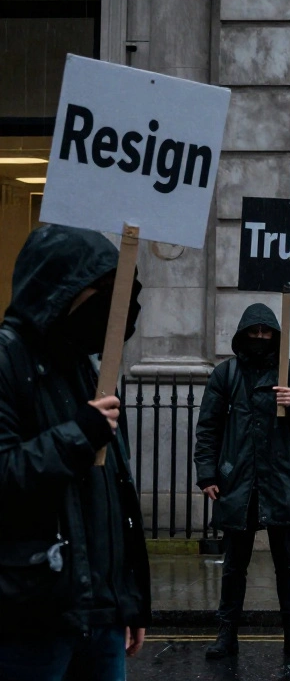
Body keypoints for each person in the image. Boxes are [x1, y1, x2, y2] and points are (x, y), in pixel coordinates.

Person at [0, 225, 150, 681]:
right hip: (32, 615)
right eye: (100, 291)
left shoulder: (85, 368)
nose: (111, 306)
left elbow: (112, 500)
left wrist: (127, 599)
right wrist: (79, 435)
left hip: (98, 615)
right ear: (61, 290)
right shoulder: (9, 362)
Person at [195, 303, 290, 660]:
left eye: (267, 333)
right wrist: (206, 474)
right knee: (235, 563)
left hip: (281, 481)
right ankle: (227, 634)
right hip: (239, 482)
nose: (261, 339)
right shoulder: (226, 375)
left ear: (276, 337)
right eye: (254, 332)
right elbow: (208, 427)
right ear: (243, 335)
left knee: (288, 563)